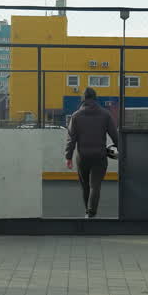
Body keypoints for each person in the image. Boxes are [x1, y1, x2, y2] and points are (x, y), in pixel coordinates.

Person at [64, 87, 119, 218]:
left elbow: (71, 139)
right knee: (95, 185)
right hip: (99, 156)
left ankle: (87, 212)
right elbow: (115, 135)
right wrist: (121, 149)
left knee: (85, 186)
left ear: (83, 99)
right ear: (95, 98)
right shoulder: (105, 114)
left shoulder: (76, 115)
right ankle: (91, 212)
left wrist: (68, 157)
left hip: (82, 156)